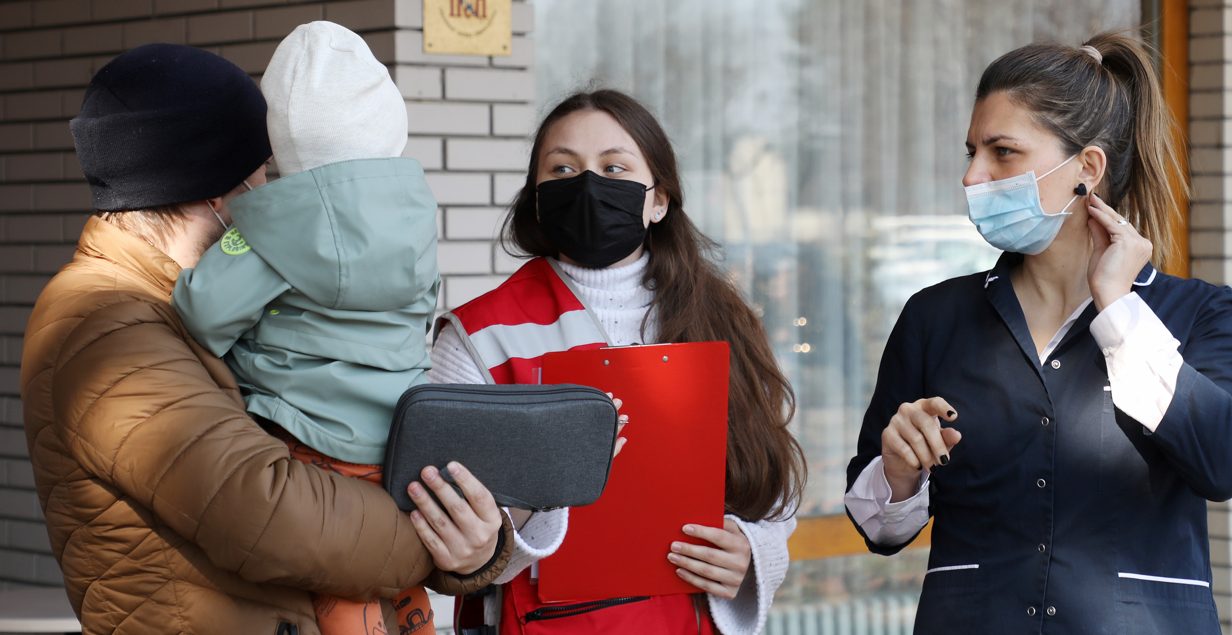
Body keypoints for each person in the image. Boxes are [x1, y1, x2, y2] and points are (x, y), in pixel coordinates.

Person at [20, 43, 512, 635]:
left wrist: (473, 544)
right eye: (265, 176)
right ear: (215, 191)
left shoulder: (189, 305)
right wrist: (443, 540)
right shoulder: (102, 324)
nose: (274, 195)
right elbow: (270, 513)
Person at [845, 32, 1232, 634]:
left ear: (1086, 168)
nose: (972, 176)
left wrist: (1119, 313)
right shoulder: (934, 317)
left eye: (1002, 152)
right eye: (971, 151)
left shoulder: (1200, 312)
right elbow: (878, 528)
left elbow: (1225, 464)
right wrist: (898, 472)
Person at [426, 89, 807, 635]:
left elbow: (767, 490)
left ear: (659, 200)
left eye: (614, 167)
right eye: (562, 169)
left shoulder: (722, 319)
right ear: (537, 197)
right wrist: (549, 487)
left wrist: (751, 552)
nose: (587, 186)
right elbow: (454, 541)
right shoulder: (478, 337)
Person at [170, 22, 480, 634]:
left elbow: (202, 314)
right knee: (390, 551)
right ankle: (413, 616)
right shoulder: (415, 215)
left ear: (284, 140)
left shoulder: (272, 228)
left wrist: (222, 247)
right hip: (398, 432)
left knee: (340, 569)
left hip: (307, 430)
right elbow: (422, 310)